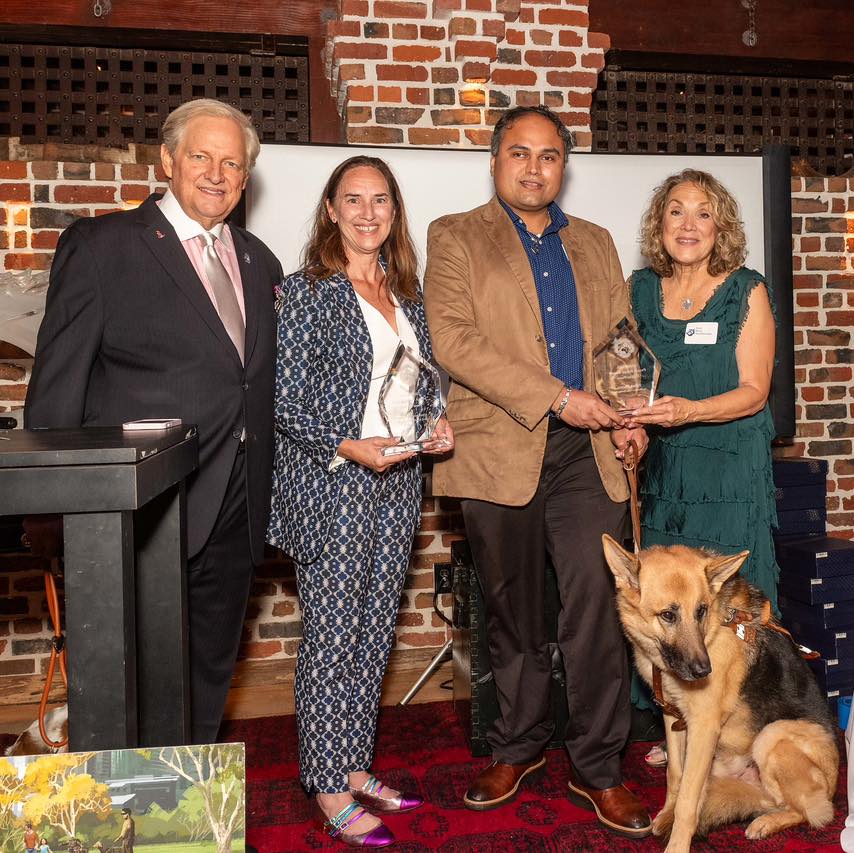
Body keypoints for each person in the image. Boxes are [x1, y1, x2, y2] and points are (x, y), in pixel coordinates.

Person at [423, 105, 651, 838]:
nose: (533, 167)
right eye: (518, 153)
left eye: (549, 155)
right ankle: (516, 746)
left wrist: (629, 417)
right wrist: (558, 396)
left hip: (587, 455)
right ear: (495, 163)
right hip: (500, 447)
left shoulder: (596, 242)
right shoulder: (454, 235)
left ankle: (598, 764)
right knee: (513, 611)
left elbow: (621, 341)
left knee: (595, 605)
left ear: (563, 167)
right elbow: (453, 340)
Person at [25, 98, 282, 744]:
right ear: (168, 159)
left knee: (206, 682)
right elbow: (56, 394)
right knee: (130, 693)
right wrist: (52, 517)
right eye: (201, 156)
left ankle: (188, 826)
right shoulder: (103, 247)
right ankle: (126, 834)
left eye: (232, 162)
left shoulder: (260, 262)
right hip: (135, 517)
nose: (217, 173)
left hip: (233, 511)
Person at [267, 155, 454, 848]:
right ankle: (324, 779)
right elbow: (282, 399)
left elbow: (419, 382)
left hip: (400, 476)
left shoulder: (408, 294)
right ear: (330, 211)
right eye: (354, 200)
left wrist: (438, 421)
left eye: (381, 200)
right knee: (334, 636)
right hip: (340, 479)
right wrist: (348, 444)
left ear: (394, 212)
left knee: (375, 628)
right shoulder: (308, 291)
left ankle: (351, 760)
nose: (368, 213)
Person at [626, 169, 779, 766]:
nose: (688, 225)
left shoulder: (747, 290)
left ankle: (739, 729)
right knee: (671, 603)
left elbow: (754, 391)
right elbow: (630, 376)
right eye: (676, 212)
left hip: (730, 468)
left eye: (703, 213)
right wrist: (634, 426)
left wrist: (688, 410)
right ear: (659, 224)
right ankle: (681, 725)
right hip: (669, 471)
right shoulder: (640, 290)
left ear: (722, 227)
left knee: (734, 604)